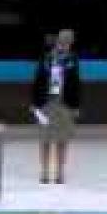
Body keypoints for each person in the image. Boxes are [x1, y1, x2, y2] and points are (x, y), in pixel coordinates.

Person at [31, 29, 82, 185]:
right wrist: (34, 104)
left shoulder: (73, 59)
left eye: (69, 42)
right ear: (58, 41)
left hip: (64, 104)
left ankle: (60, 172)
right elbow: (37, 81)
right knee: (45, 138)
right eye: (64, 41)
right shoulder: (46, 58)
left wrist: (76, 106)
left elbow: (76, 84)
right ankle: (45, 171)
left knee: (62, 139)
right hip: (46, 103)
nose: (66, 44)